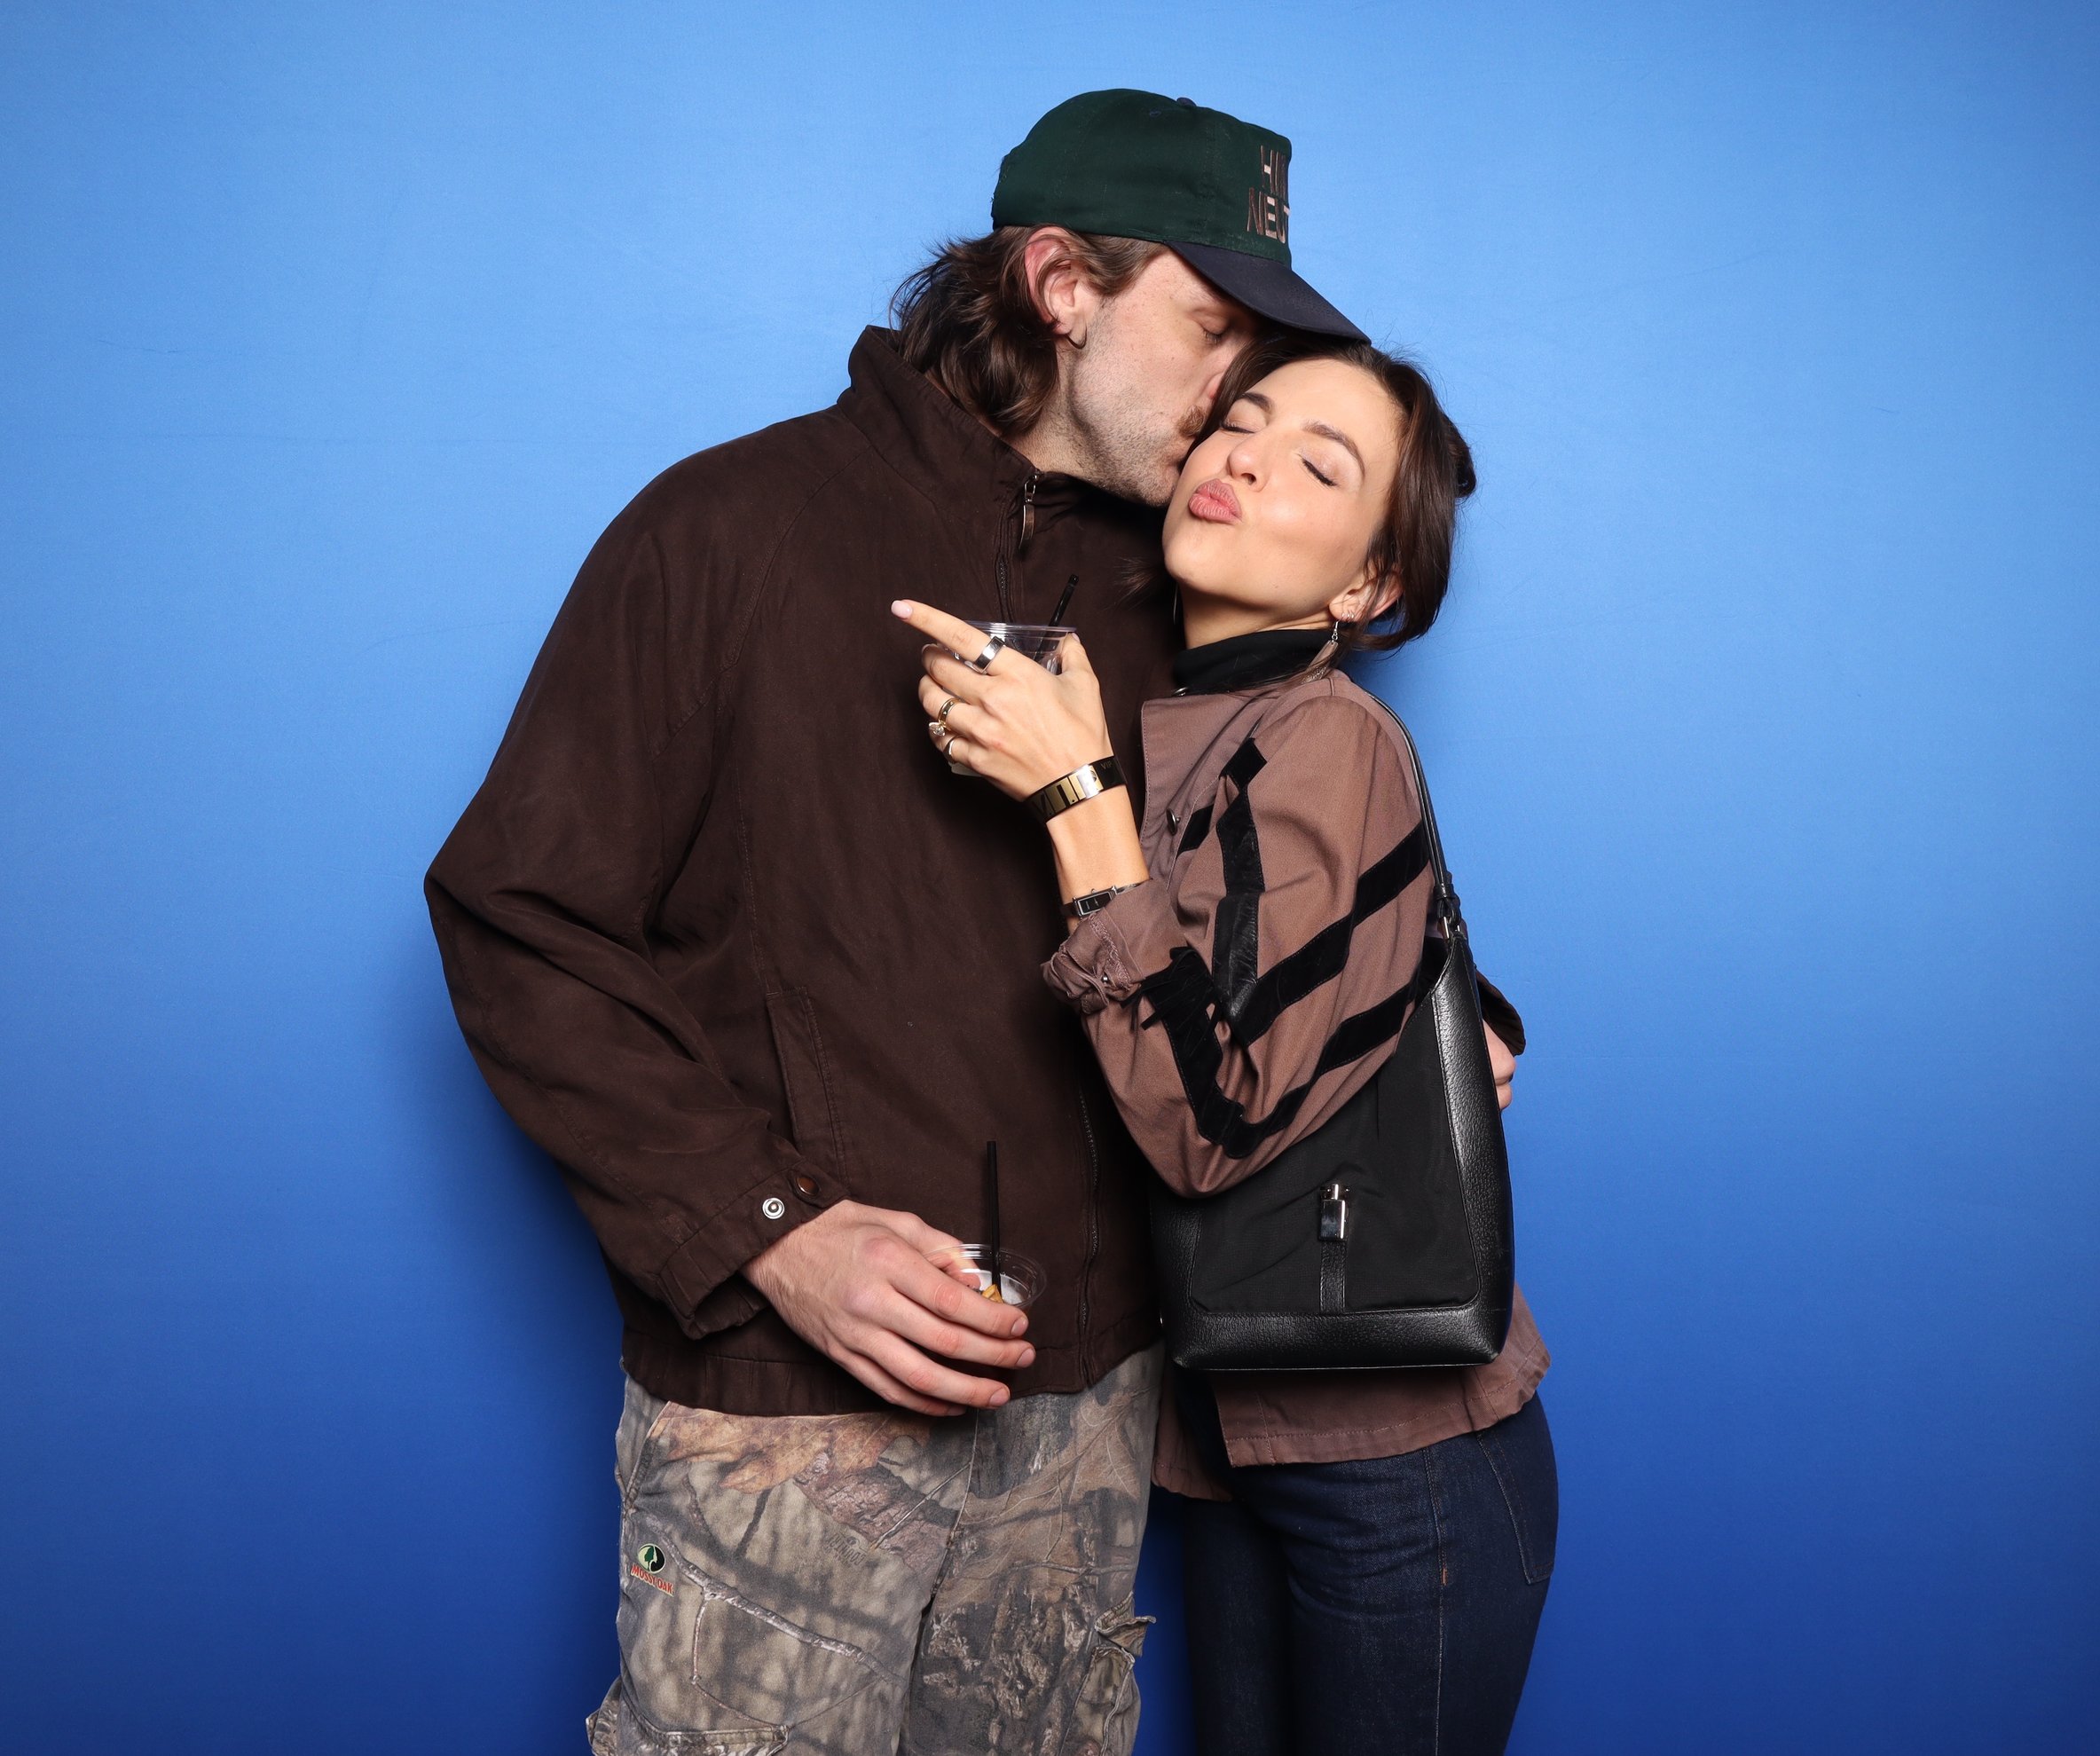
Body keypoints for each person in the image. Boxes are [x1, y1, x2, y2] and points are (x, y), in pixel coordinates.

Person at [424, 90, 1403, 1756]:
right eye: (1212, 327)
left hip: (1096, 1415)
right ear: (1061, 283)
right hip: (788, 1431)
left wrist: (1445, 997)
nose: (1238, 397)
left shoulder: (1188, 587)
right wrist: (772, 1230)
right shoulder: (723, 532)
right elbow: (523, 919)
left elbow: (1285, 857)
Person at [894, 332, 1553, 1754]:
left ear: (1369, 584)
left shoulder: (1325, 735)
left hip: (1400, 1463)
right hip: (1226, 1441)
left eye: (1319, 464)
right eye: (1239, 421)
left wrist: (1075, 796)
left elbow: (1212, 1117)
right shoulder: (1186, 717)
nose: (1247, 456)